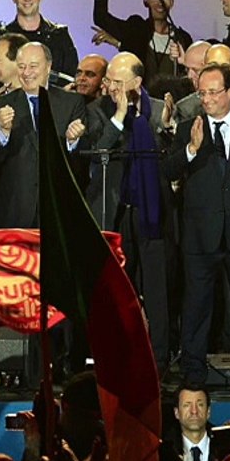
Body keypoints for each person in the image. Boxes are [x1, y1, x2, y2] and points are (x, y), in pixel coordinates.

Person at [161, 65, 230, 396]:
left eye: (213, 92)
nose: (207, 99)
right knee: (196, 306)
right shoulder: (188, 129)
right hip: (200, 235)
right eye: (202, 93)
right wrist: (192, 149)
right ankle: (193, 371)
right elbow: (167, 168)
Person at [82, 52, 171, 371]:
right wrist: (119, 116)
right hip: (114, 209)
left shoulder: (160, 111)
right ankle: (114, 356)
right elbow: (99, 152)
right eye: (108, 81)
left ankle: (159, 358)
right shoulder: (97, 110)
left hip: (151, 210)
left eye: (118, 83)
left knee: (156, 288)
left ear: (137, 83)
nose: (110, 88)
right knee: (117, 288)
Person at [0, 41, 87, 229]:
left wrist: (73, 141)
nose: (26, 72)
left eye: (33, 66)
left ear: (48, 66)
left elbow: (82, 161)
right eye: (21, 66)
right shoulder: (1, 105)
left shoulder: (72, 103)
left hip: (58, 208)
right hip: (15, 209)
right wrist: (3, 131)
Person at [92, 0, 192, 85]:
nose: (160, 2)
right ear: (145, 2)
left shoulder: (182, 38)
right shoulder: (137, 29)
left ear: (172, 2)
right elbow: (101, 18)